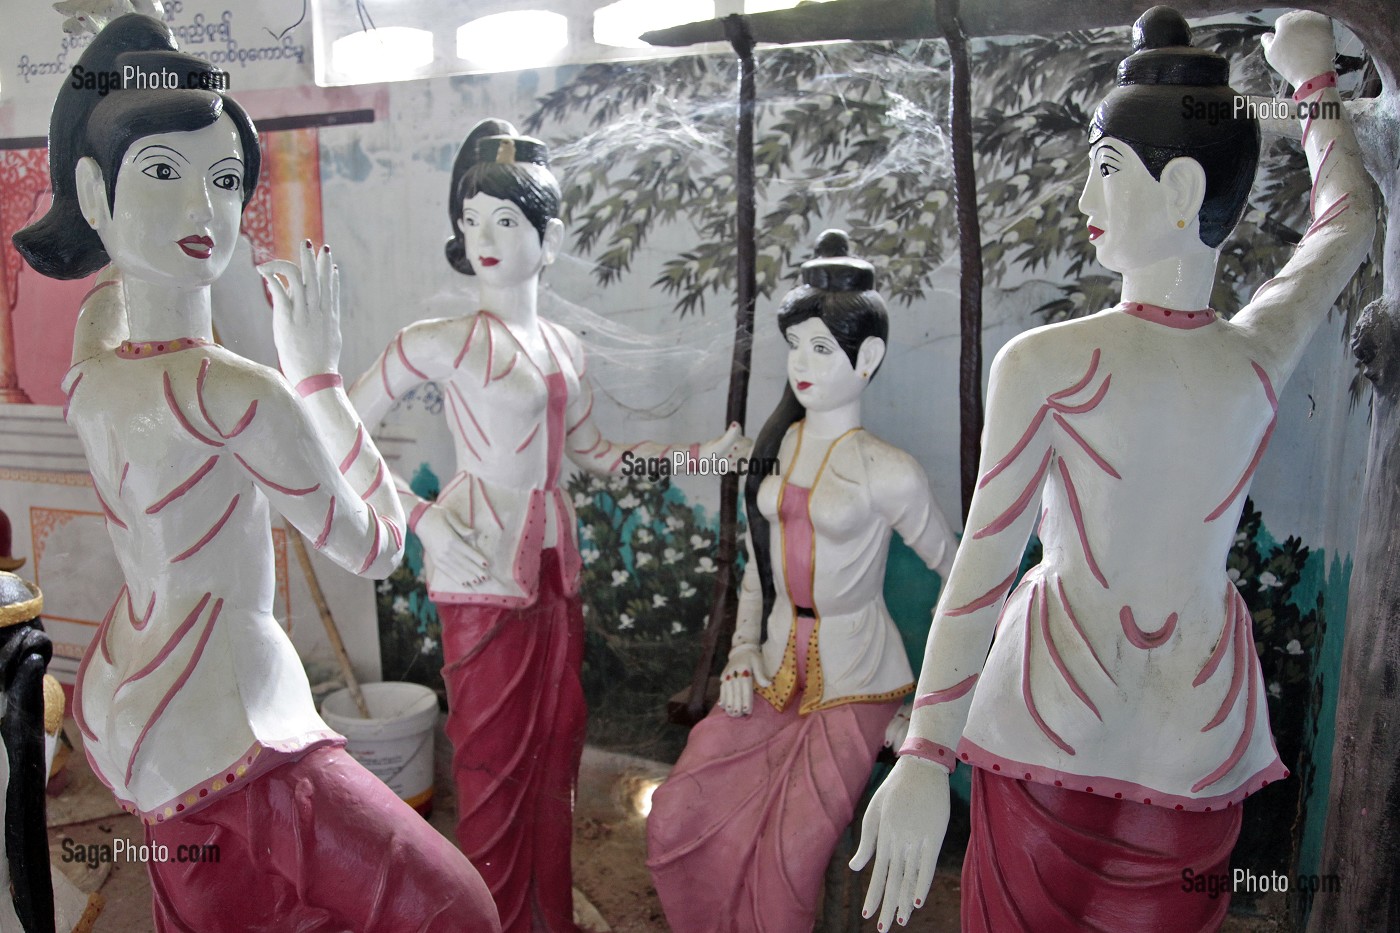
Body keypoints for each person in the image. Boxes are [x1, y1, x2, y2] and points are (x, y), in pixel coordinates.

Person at [851, 8, 1375, 932]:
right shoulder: (1255, 355)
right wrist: (1311, 84)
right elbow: (1348, 220)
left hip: (1075, 709)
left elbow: (985, 562)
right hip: (1179, 718)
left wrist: (929, 753)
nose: (1086, 207)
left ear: (1179, 187)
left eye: (1103, 172)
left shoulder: (1052, 362)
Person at [13, 14, 500, 932]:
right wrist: (315, 371)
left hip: (133, 716)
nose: (204, 212)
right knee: (455, 908)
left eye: (225, 180)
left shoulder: (94, 366)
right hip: (241, 733)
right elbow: (377, 547)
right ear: (97, 189)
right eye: (164, 173)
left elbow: (112, 295)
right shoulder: (237, 391)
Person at [349, 117, 745, 933]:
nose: (485, 237)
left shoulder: (565, 346)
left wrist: (704, 457)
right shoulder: (446, 342)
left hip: (556, 575)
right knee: (493, 766)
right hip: (479, 574)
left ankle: (546, 915)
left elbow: (598, 453)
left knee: (556, 750)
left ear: (548, 235)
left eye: (506, 220)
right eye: (472, 220)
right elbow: (339, 423)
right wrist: (418, 517)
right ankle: (491, 920)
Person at [646, 230, 956, 933]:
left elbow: (963, 581)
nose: (801, 364)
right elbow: (763, 562)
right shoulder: (779, 445)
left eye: (821, 347)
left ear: (866, 356)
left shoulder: (889, 469)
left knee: (788, 857)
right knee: (677, 816)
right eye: (795, 346)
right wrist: (740, 654)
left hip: (855, 682)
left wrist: (929, 710)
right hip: (768, 671)